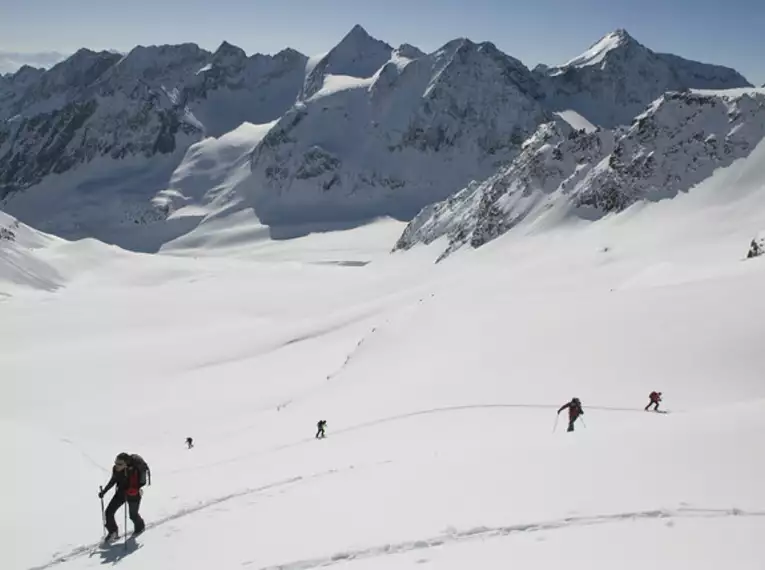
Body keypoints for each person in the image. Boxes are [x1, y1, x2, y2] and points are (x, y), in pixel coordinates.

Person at [98, 453, 147, 541]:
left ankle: (140, 527)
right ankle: (113, 532)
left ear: (126, 463)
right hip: (121, 493)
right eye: (115, 463)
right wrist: (104, 491)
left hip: (133, 494)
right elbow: (113, 480)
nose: (116, 466)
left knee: (133, 515)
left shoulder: (133, 471)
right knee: (109, 512)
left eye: (119, 464)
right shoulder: (116, 469)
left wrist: (135, 489)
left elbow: (139, 483)